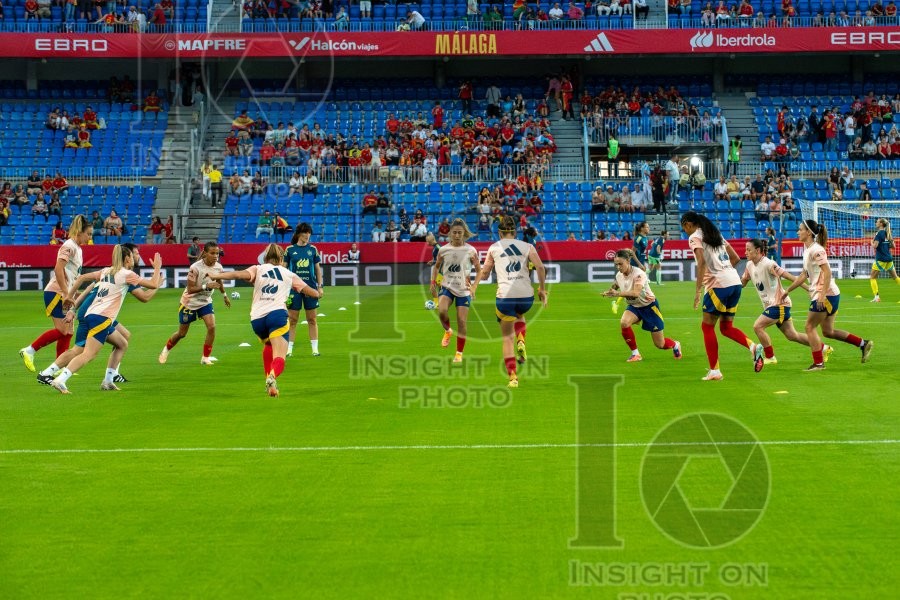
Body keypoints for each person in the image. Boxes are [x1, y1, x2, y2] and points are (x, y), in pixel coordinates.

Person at [207, 244, 322, 397]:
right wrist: (318, 292)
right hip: (277, 316)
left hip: (257, 320)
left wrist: (217, 276)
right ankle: (272, 376)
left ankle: (270, 386)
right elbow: (310, 292)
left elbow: (238, 275)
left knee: (268, 344)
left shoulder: (258, 269)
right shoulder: (288, 274)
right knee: (280, 356)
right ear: (281, 258)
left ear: (265, 258)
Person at [37, 243, 158, 388]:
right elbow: (152, 285)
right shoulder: (127, 275)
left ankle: (107, 381)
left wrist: (71, 301)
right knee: (88, 354)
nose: (135, 258)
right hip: (101, 317)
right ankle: (61, 379)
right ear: (127, 259)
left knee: (121, 343)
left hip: (89, 314)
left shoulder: (106, 271)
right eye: (133, 256)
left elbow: (82, 279)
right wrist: (157, 268)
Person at [680, 211, 765, 381]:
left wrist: (698, 290)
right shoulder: (714, 233)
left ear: (688, 224)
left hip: (719, 285)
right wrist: (724, 271)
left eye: (684, 228)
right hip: (734, 282)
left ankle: (715, 371)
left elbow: (702, 262)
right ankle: (753, 347)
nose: (685, 232)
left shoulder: (694, 237)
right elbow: (735, 257)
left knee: (707, 327)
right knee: (726, 328)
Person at [779, 220, 873, 370]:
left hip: (826, 294)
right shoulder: (808, 249)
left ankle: (818, 364)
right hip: (830, 294)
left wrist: (822, 296)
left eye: (800, 229)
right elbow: (804, 274)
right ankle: (863, 343)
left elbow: (827, 272)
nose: (798, 232)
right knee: (828, 331)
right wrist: (788, 291)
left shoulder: (816, 250)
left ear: (808, 233)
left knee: (809, 327)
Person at [471, 216, 548, 388]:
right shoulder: (527, 246)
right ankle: (521, 339)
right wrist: (542, 289)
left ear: (499, 232)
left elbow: (484, 274)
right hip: (526, 298)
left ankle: (513, 377)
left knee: (507, 339)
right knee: (520, 313)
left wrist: (474, 276)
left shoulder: (493, 248)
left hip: (505, 297)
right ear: (515, 232)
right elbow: (541, 268)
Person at [19, 215, 93, 373]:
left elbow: (70, 276)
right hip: (56, 293)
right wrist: (67, 293)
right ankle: (29, 350)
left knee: (68, 332)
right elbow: (58, 269)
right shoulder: (69, 246)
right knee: (62, 330)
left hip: (65, 294)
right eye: (88, 234)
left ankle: (60, 367)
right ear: (79, 232)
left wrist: (75, 292)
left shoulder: (78, 249)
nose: (90, 238)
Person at [741, 238, 830, 366]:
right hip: (772, 305)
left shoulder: (769, 264)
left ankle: (770, 357)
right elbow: (743, 282)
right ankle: (823, 348)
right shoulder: (749, 265)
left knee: (758, 326)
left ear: (758, 250)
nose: (745, 252)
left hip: (779, 304)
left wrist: (809, 289)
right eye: (745, 250)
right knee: (792, 335)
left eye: (748, 250)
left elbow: (789, 276)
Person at [158, 242, 231, 366]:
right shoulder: (195, 267)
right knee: (182, 334)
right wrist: (206, 286)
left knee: (212, 327)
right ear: (205, 253)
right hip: (189, 302)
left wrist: (224, 295)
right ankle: (166, 349)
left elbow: (219, 281)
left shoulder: (218, 267)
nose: (215, 256)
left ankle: (205, 357)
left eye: (217, 253)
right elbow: (190, 289)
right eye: (212, 253)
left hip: (205, 302)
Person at [603, 249, 681, 363]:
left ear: (628, 261)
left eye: (621, 264)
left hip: (649, 307)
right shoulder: (619, 275)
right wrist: (610, 291)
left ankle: (675, 345)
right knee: (624, 322)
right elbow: (616, 285)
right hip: (634, 307)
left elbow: (636, 293)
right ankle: (635, 354)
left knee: (660, 344)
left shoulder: (638, 274)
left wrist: (617, 294)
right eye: (616, 264)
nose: (618, 267)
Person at [430, 219, 482, 363]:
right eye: (454, 232)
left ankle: (459, 353)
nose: (457, 235)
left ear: (464, 233)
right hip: (447, 287)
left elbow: (479, 270)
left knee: (461, 321)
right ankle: (447, 331)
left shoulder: (471, 250)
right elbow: (437, 266)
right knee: (442, 311)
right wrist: (433, 281)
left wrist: (474, 286)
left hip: (464, 290)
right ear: (450, 234)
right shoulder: (443, 250)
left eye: (460, 232)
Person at [285, 224, 324, 358]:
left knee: (312, 319)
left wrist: (320, 286)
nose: (307, 236)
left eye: (309, 233)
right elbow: (284, 270)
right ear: (298, 234)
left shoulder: (313, 249)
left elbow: (318, 269)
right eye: (305, 233)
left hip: (310, 289)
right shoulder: (289, 250)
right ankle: (289, 350)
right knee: (292, 320)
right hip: (294, 289)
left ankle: (315, 349)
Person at [612, 221, 649, 314]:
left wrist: (642, 262)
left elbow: (641, 252)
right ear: (642, 229)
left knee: (638, 287)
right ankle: (616, 303)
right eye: (647, 227)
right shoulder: (639, 238)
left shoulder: (645, 238)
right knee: (631, 287)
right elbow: (632, 252)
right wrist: (639, 264)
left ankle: (618, 303)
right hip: (634, 265)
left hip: (640, 263)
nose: (649, 228)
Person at [869, 217, 899, 302]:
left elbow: (875, 246)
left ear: (881, 224)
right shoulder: (888, 233)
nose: (876, 223)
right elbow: (894, 246)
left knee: (872, 278)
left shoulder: (879, 234)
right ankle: (876, 297)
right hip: (889, 258)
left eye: (877, 222)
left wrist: (871, 242)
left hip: (881, 259)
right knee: (895, 277)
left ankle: (876, 297)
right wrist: (885, 246)